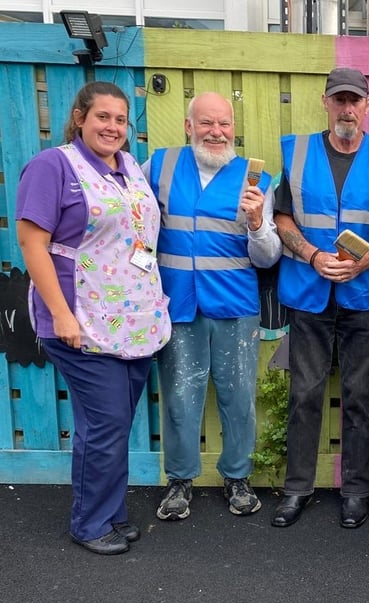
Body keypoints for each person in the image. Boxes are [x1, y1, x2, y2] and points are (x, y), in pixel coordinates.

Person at [16, 81, 171, 554]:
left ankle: (110, 512)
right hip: (80, 319)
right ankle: (89, 523)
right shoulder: (53, 166)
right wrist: (61, 315)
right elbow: (31, 243)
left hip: (132, 317)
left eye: (121, 119)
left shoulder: (130, 170)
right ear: (80, 117)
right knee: (103, 424)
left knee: (115, 422)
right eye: (102, 116)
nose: (113, 127)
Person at [270, 67, 369, 529]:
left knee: (357, 395)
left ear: (367, 106)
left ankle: (356, 490)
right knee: (304, 392)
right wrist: (311, 255)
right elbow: (281, 218)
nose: (347, 108)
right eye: (339, 99)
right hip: (308, 292)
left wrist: (363, 263)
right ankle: (297, 489)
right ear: (325, 102)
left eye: (355, 101)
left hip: (363, 293)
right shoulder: (298, 151)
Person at [146, 92, 281, 521]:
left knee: (237, 397)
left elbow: (268, 257)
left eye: (224, 124)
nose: (217, 132)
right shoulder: (159, 166)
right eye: (206, 123)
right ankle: (179, 480)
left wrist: (258, 224)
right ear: (189, 127)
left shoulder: (256, 180)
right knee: (180, 397)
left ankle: (236, 477)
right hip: (177, 303)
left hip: (235, 305)